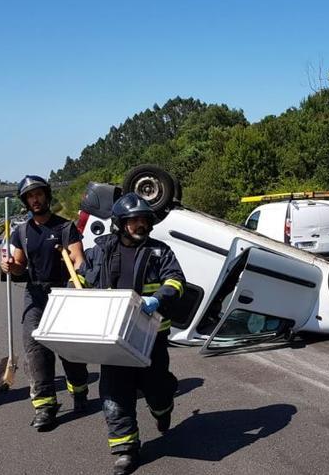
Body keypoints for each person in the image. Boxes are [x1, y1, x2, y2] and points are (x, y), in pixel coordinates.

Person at [80, 193, 184, 475]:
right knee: (114, 394)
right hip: (112, 336)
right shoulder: (99, 252)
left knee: (157, 388)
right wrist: (74, 285)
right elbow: (81, 277)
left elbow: (176, 281)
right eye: (134, 220)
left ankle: (163, 408)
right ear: (120, 223)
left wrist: (158, 299)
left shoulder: (160, 252)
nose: (141, 224)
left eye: (144, 220)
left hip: (150, 336)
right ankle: (126, 449)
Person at [1, 175, 88, 431]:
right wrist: (10, 266)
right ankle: (45, 406)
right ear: (25, 202)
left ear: (46, 196)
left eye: (38, 194)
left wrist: (78, 278)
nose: (35, 199)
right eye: (30, 196)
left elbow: (79, 260)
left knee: (70, 351)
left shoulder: (65, 227)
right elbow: (19, 267)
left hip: (63, 293)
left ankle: (79, 389)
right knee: (35, 349)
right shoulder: (22, 231)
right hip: (35, 295)